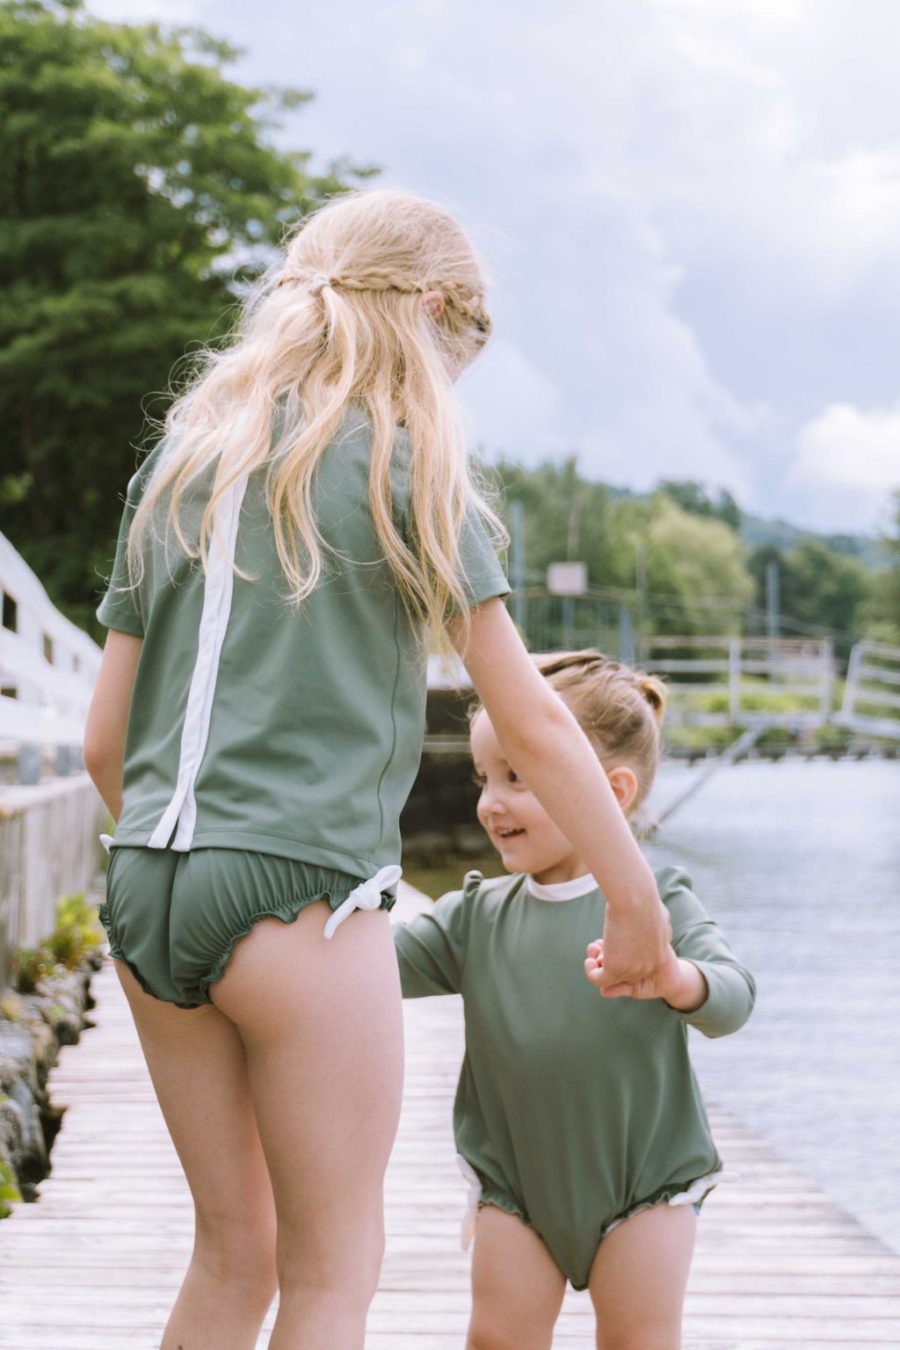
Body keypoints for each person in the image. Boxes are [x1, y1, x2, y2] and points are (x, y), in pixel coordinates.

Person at [83, 189, 671, 1350]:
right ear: (437, 313)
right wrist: (634, 895)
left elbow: (108, 741)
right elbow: (540, 728)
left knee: (229, 1256)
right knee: (333, 1269)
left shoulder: (184, 463)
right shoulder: (414, 465)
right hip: (301, 890)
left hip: (146, 882)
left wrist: (191, 862)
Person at [393, 650, 756, 1350]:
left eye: (519, 778)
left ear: (611, 792)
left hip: (644, 1186)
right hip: (516, 1187)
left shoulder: (656, 905)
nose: (491, 801)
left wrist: (676, 978)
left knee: (638, 1340)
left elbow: (735, 1000)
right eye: (486, 777)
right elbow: (370, 974)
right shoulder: (476, 915)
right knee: (498, 1336)